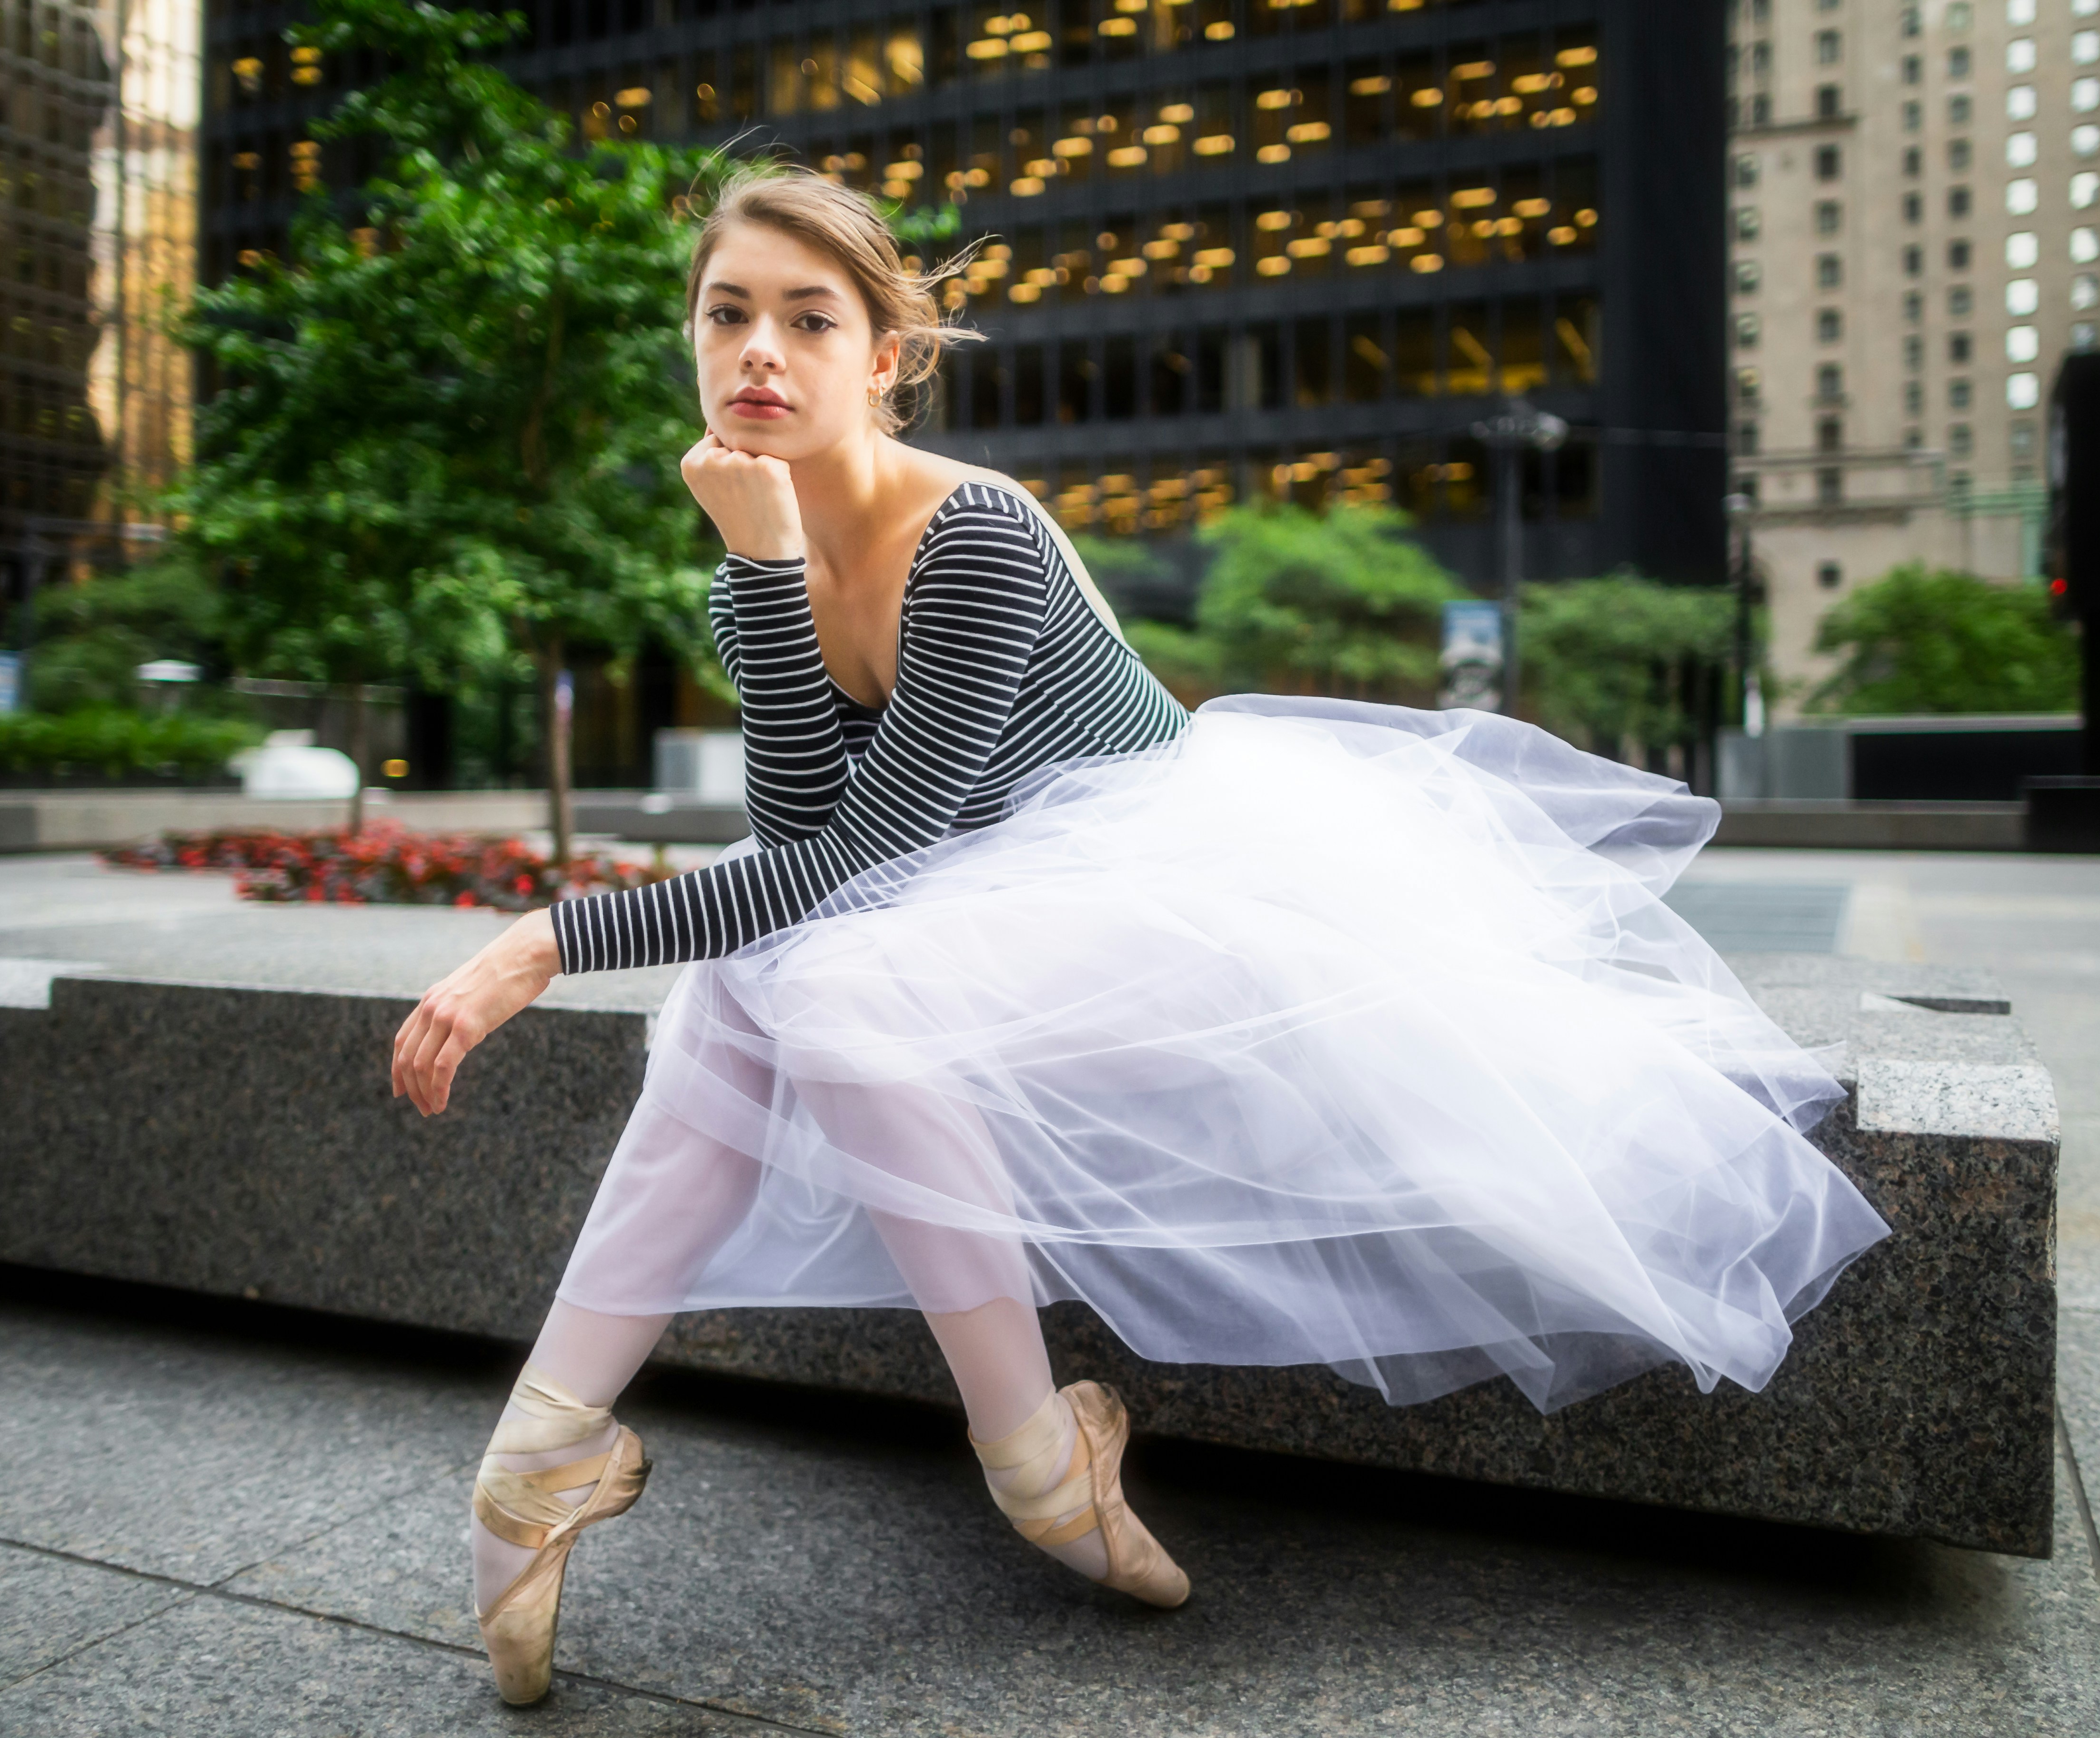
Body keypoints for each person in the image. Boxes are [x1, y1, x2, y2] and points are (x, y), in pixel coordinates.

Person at [391, 167, 1892, 1707]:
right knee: (753, 982)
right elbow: (798, 849)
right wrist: (768, 571)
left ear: (886, 357)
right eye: (727, 314)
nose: (758, 350)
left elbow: (865, 855)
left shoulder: (974, 533)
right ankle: (541, 1452)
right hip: (971, 912)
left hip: (1177, 903)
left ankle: (1030, 1458)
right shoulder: (747, 570)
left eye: (807, 318)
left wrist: (548, 940)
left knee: (819, 983)